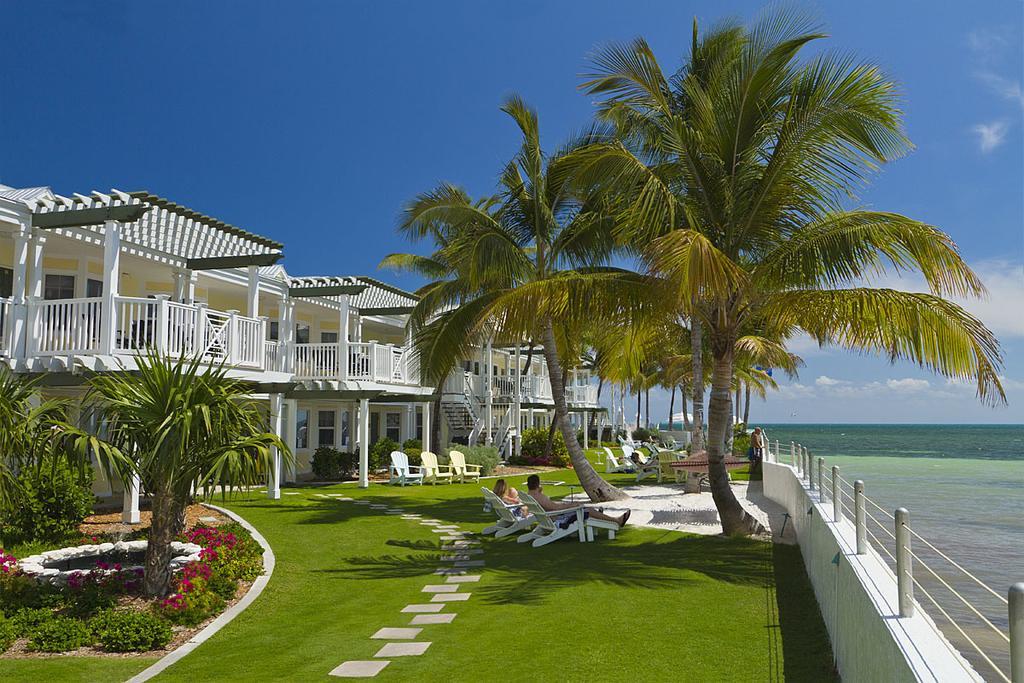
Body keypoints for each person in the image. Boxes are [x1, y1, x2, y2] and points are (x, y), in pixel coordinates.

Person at [525, 474, 629, 528]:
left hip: (551, 516)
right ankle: (616, 520)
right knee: (586, 510)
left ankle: (599, 516)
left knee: (586, 509)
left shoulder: (530, 495)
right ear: (538, 484)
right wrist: (571, 505)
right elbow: (555, 508)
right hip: (558, 518)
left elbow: (552, 506)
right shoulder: (539, 496)